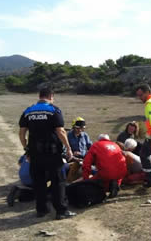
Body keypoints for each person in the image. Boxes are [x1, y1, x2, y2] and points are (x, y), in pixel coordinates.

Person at [18, 87, 76, 220]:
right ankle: (61, 211)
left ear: (39, 96)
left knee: (39, 182)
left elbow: (22, 133)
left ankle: (41, 210)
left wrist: (26, 149)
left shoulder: (28, 111)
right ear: (51, 96)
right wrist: (68, 148)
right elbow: (60, 131)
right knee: (58, 182)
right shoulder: (53, 110)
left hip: (35, 154)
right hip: (52, 154)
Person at [82, 134, 127, 198]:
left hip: (106, 173)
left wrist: (85, 179)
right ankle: (114, 185)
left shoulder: (96, 145)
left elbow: (86, 163)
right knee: (111, 176)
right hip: (120, 173)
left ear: (99, 140)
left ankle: (103, 189)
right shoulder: (116, 145)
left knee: (95, 181)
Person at [67, 117, 92, 182]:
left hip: (84, 159)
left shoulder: (85, 135)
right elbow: (64, 150)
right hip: (72, 160)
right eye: (78, 128)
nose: (80, 130)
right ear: (73, 127)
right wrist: (73, 154)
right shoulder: (67, 136)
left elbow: (91, 148)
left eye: (82, 128)